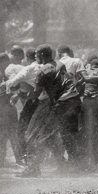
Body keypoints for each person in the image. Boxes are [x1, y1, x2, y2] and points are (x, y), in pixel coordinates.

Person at [19, 45, 67, 177]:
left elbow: (36, 93)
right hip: (61, 105)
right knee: (49, 136)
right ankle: (63, 164)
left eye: (36, 56)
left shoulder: (43, 71)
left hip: (47, 105)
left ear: (41, 55)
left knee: (30, 135)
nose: (36, 58)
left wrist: (22, 93)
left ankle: (32, 168)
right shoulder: (61, 65)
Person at [5, 48, 43, 166]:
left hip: (33, 102)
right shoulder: (44, 67)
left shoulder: (27, 69)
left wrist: (7, 87)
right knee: (39, 132)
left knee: (23, 132)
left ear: (27, 57)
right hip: (44, 103)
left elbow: (13, 82)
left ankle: (28, 163)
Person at [55, 44, 85, 169]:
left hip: (60, 102)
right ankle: (76, 161)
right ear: (70, 51)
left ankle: (66, 163)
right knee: (74, 131)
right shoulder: (76, 61)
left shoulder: (56, 64)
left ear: (58, 53)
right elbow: (84, 79)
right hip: (74, 100)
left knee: (63, 132)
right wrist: (75, 90)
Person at [0, 53, 20, 168]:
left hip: (6, 109)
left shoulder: (7, 74)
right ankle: (19, 160)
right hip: (5, 109)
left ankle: (2, 162)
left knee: (6, 137)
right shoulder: (4, 74)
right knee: (11, 136)